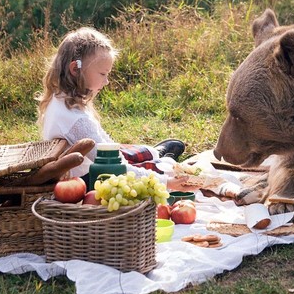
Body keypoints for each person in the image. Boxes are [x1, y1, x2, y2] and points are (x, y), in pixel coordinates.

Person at [36, 27, 185, 180]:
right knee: (165, 169)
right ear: (75, 69)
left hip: (94, 164)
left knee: (125, 151)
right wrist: (166, 181)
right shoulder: (75, 119)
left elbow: (103, 140)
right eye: (102, 74)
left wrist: (118, 154)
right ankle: (159, 161)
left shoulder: (63, 98)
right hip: (89, 179)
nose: (106, 81)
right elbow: (114, 168)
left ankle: (152, 154)